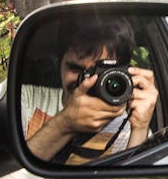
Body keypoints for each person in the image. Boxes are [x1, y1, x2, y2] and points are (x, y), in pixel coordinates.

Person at [22, 14, 158, 164]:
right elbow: (13, 171)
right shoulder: (26, 98)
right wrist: (65, 123)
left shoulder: (130, 123)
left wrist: (139, 128)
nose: (88, 81)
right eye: (76, 69)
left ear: (125, 72)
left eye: (101, 72)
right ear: (58, 63)